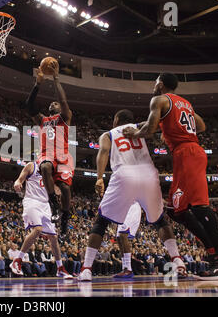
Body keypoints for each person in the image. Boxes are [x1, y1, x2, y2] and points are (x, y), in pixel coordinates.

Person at [122, 73, 218, 280]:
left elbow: (149, 129)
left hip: (187, 153)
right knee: (176, 210)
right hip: (188, 152)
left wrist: (134, 134)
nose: (153, 84)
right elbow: (201, 126)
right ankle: (213, 252)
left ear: (160, 84)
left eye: (155, 80)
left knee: (200, 207)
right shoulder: (185, 103)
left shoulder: (158, 100)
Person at [78, 110, 186, 281]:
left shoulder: (109, 134)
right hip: (149, 174)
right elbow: (157, 122)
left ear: (117, 120)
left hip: (124, 174)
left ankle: (86, 269)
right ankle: (178, 261)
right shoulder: (139, 127)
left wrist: (99, 178)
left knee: (101, 221)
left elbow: (103, 152)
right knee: (160, 221)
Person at [23, 60, 74, 236]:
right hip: (47, 154)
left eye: (56, 104)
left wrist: (56, 78)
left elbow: (63, 99)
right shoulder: (43, 120)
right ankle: (53, 202)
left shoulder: (65, 117)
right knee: (44, 166)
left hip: (63, 155)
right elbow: (29, 106)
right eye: (51, 103)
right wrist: (37, 85)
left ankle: (65, 216)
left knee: (66, 188)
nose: (53, 103)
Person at [10, 161, 73, 279]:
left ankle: (60, 268)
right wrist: (18, 182)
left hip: (45, 205)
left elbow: (56, 188)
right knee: (38, 229)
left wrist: (59, 190)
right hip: (32, 201)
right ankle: (17, 260)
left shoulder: (52, 171)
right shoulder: (31, 166)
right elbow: (20, 178)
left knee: (54, 237)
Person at [114, 202, 143, 278]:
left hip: (131, 206)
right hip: (123, 209)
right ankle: (124, 268)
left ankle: (128, 269)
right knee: (119, 238)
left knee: (123, 235)